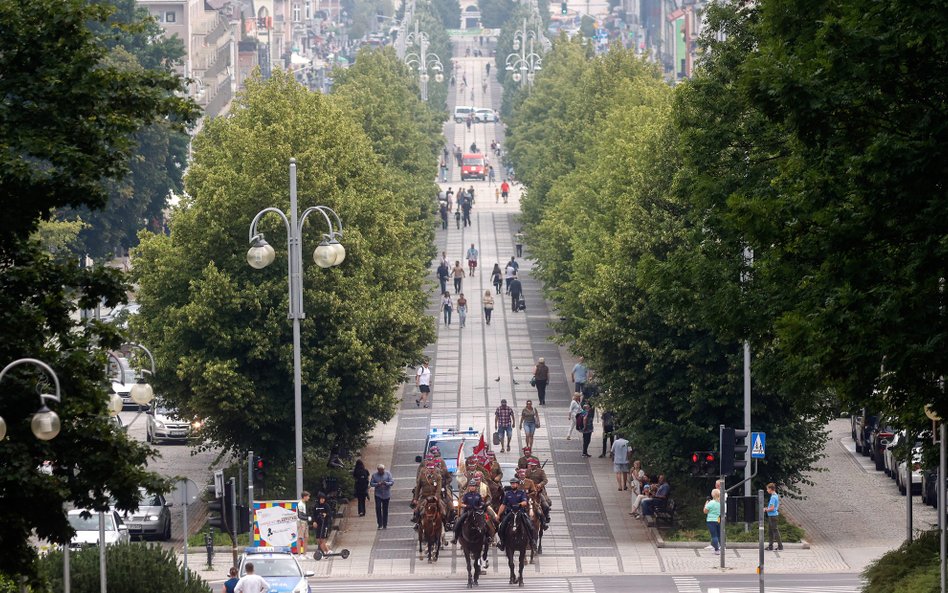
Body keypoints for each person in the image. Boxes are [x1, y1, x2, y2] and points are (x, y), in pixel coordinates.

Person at [496, 478, 533, 552]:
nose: (513, 485)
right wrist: (498, 514)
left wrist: (518, 504)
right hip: (511, 513)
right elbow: (503, 505)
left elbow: (525, 502)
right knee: (501, 526)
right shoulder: (508, 494)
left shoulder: (522, 493)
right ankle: (502, 542)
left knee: (530, 525)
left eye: (514, 483)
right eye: (512, 483)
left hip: (520, 512)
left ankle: (532, 541)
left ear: (517, 484)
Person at [452, 479, 488, 545]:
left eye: (473, 486)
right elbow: (461, 504)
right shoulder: (466, 495)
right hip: (468, 511)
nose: (472, 487)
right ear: (469, 487)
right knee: (459, 521)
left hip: (477, 512)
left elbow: (481, 503)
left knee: (485, 522)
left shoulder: (478, 495)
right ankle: (455, 537)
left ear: (475, 487)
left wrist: (482, 505)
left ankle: (487, 537)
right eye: (471, 486)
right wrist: (466, 506)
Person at [370, 464, 394, 529]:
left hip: (386, 494)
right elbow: (371, 484)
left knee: (385, 509)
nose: (381, 471)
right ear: (378, 470)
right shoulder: (374, 475)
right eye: (380, 470)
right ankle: (379, 524)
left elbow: (392, 482)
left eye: (382, 470)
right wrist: (377, 484)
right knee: (378, 508)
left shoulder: (388, 474)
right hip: (378, 494)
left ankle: (385, 524)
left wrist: (386, 483)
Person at [764, 483, 783, 551]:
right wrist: (768, 508)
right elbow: (773, 507)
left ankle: (780, 546)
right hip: (773, 515)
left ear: (770, 489)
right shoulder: (776, 495)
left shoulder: (773, 497)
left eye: (767, 489)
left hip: (772, 516)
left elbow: (772, 508)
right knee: (771, 531)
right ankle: (770, 546)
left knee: (774, 531)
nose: (767, 490)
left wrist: (765, 509)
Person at [704, 488, 722, 554]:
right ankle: (721, 547)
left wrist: (706, 503)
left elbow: (705, 511)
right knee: (719, 535)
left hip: (711, 520)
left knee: (714, 536)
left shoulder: (711, 503)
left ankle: (716, 549)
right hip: (718, 519)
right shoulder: (720, 502)